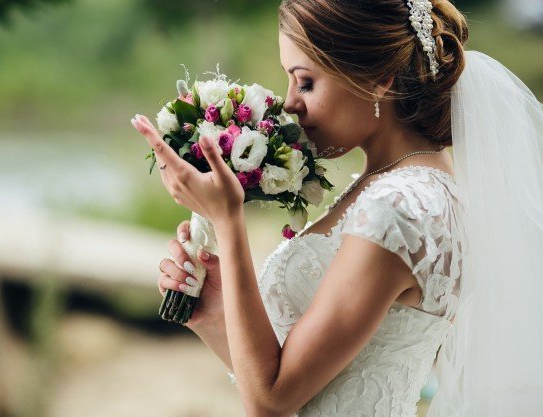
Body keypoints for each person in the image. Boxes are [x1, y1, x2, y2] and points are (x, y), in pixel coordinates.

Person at [131, 1, 543, 416]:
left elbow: (272, 400)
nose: (290, 104)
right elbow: (298, 384)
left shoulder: (400, 208)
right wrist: (217, 316)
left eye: (305, 82)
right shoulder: (407, 190)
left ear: (379, 79)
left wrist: (228, 220)